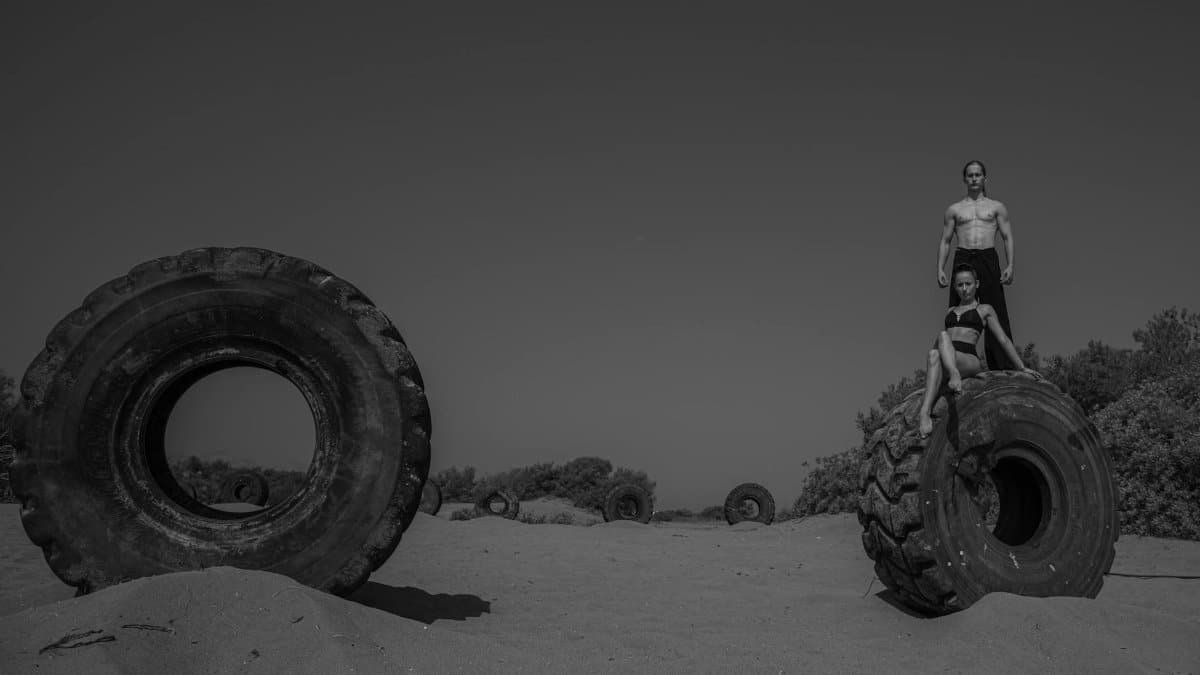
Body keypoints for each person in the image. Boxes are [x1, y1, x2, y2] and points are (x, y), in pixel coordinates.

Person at [919, 263, 1038, 437]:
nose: (964, 289)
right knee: (935, 349)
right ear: (955, 287)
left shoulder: (984, 310)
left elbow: (1002, 339)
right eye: (960, 285)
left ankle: (954, 374)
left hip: (969, 359)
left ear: (977, 284)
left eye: (968, 284)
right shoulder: (950, 310)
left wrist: (1021, 367)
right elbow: (940, 346)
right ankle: (925, 411)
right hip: (949, 356)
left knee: (942, 337)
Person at [937, 160, 1017, 370]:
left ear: (984, 179)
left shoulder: (996, 207)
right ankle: (954, 361)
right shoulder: (954, 209)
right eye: (970, 175)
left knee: (995, 309)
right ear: (965, 179)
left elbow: (1007, 237)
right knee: (958, 311)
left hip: (987, 256)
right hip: (963, 256)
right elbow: (945, 240)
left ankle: (1002, 365)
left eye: (977, 175)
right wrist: (940, 268)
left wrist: (1010, 265)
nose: (974, 179)